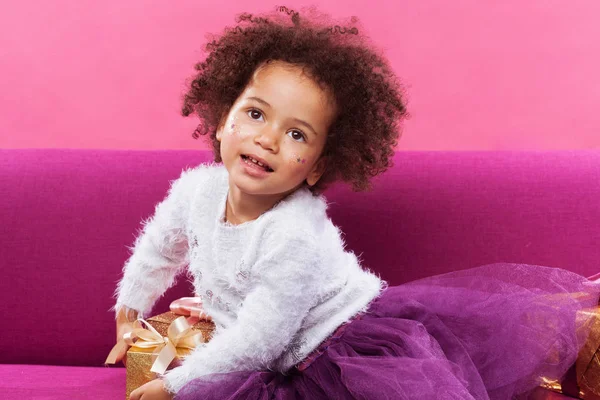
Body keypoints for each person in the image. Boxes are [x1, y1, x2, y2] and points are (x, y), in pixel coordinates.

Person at [111, 6, 600, 400]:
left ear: (318, 165)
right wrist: (130, 307)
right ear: (221, 121)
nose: (266, 140)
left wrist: (174, 384)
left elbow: (260, 341)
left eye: (296, 133)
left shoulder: (294, 232)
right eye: (255, 113)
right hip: (267, 347)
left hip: (335, 349)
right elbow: (159, 247)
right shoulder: (195, 189)